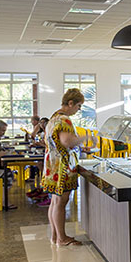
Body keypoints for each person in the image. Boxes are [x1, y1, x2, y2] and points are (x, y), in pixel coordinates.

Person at [41, 88, 90, 247]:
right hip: (62, 167)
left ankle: (55, 236)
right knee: (61, 202)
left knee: (55, 202)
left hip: (52, 165)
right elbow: (67, 141)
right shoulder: (64, 120)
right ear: (70, 103)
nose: (79, 109)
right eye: (78, 105)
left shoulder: (54, 118)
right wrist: (86, 137)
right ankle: (62, 238)